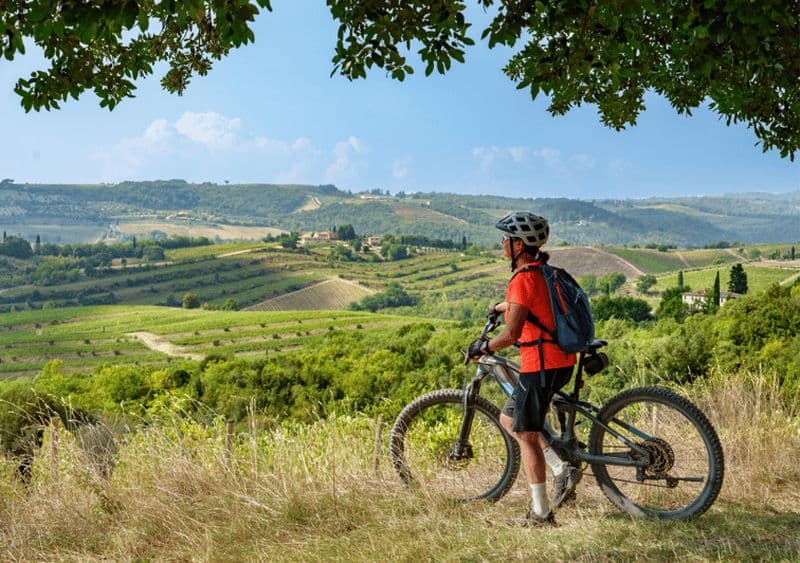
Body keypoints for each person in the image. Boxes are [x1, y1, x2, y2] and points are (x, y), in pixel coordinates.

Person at [467, 211, 580, 527]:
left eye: (506, 238)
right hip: (558, 360)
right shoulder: (540, 272)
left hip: (541, 364)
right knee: (509, 418)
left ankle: (541, 514)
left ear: (519, 244)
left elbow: (511, 335)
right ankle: (560, 467)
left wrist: (483, 348)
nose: (502, 243)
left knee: (525, 433)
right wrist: (503, 306)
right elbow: (532, 305)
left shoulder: (521, 278)